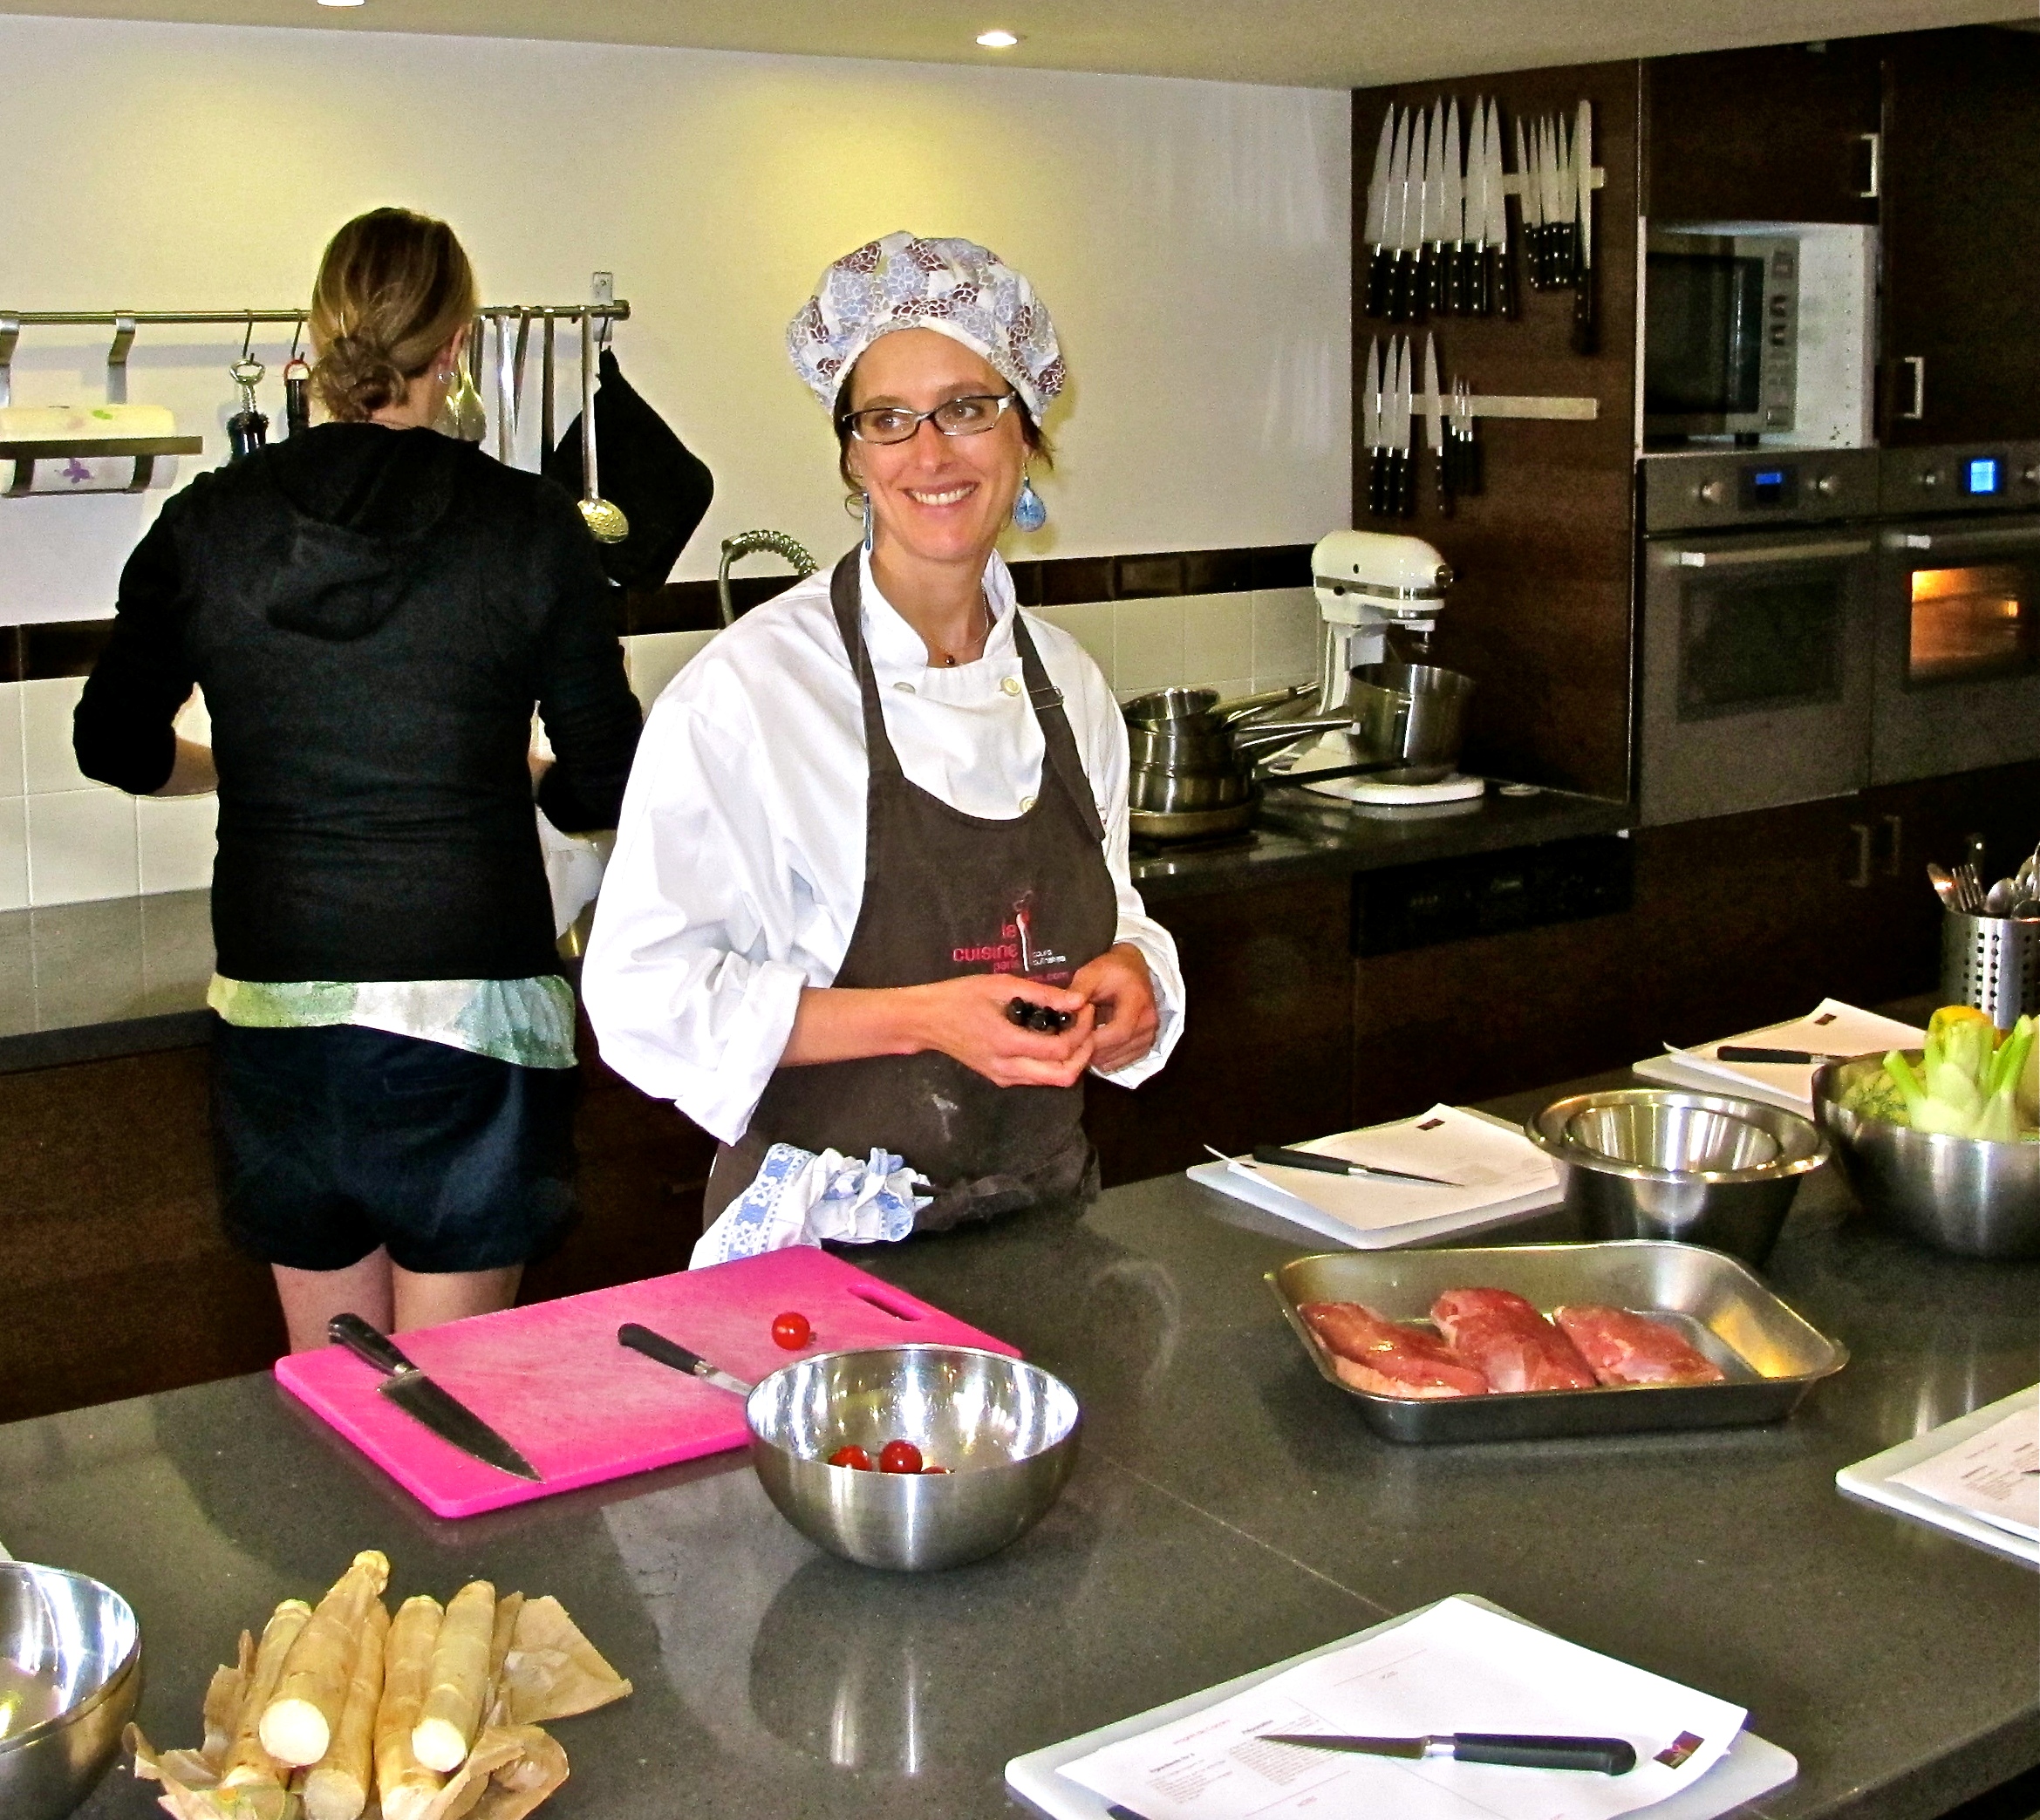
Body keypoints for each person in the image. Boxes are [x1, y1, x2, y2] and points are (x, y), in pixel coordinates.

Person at [74, 208, 642, 1350]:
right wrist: (523, 774)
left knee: (337, 1387)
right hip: (472, 1018)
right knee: (446, 1394)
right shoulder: (529, 526)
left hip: (279, 1017)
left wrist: (231, 766)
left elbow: (114, 743)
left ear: (320, 332)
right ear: (458, 344)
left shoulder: (207, 524)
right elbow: (607, 777)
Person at [583, 230, 1184, 1234]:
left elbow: (1113, 907)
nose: (929, 453)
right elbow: (643, 994)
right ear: (854, 458)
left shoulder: (1070, 687)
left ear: (1025, 435)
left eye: (967, 408)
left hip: (1041, 1226)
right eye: (888, 420)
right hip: (823, 1248)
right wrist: (918, 1017)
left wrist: (1133, 974)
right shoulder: (751, 694)